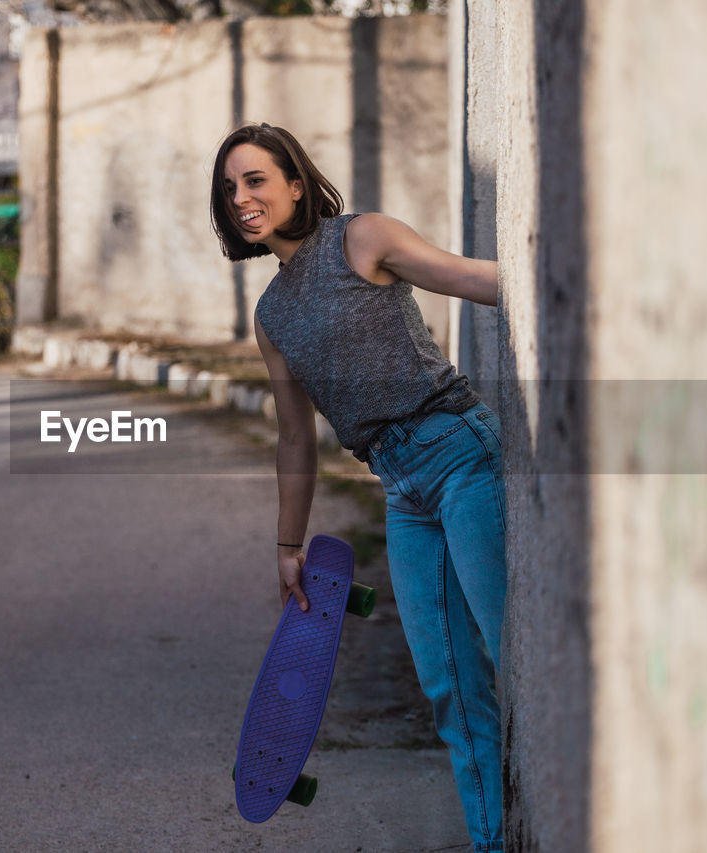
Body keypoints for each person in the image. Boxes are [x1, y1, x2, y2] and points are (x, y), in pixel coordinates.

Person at [211, 122, 506, 853]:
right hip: (401, 492)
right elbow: (293, 437)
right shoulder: (272, 315)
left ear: (295, 183)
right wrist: (287, 547)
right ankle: (493, 842)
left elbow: (472, 278)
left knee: (511, 651)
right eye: (229, 189)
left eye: (254, 180)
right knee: (449, 690)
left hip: (460, 455)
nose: (242, 198)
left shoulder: (363, 238)